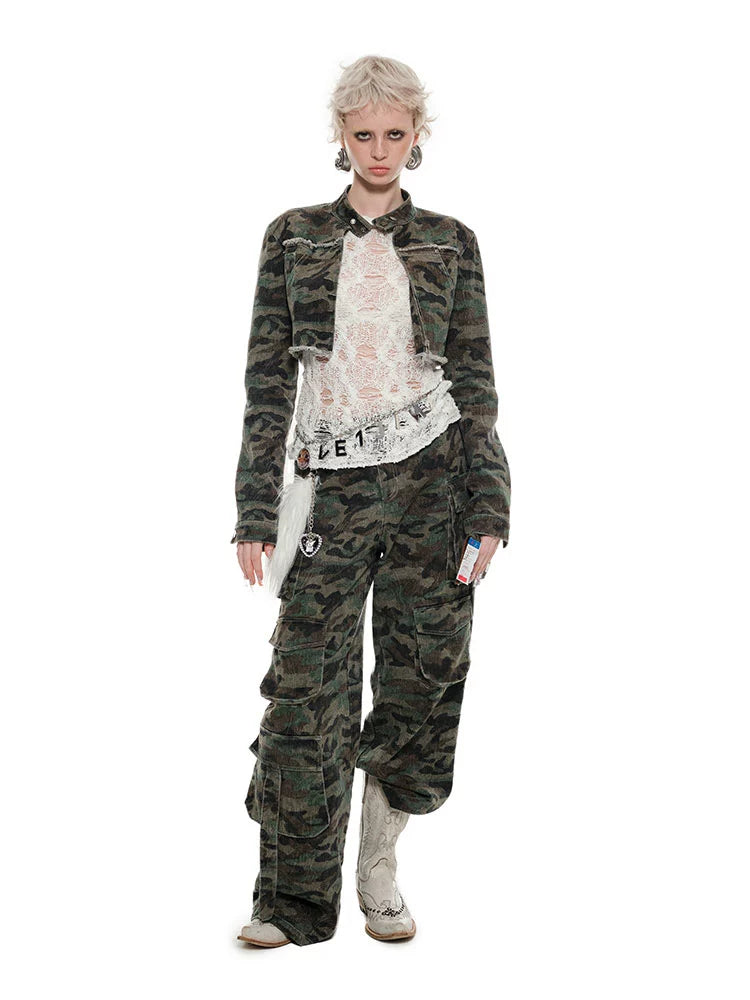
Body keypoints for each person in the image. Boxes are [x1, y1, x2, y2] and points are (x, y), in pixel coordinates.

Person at [232, 55, 511, 948]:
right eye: (364, 134)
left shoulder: (453, 242)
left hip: (435, 485)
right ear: (341, 136)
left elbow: (475, 383)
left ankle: (379, 868)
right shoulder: (293, 237)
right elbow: (267, 384)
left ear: (417, 135)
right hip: (331, 491)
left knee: (421, 677)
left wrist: (490, 504)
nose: (379, 150)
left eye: (395, 133)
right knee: (306, 688)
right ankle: (290, 900)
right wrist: (254, 508)